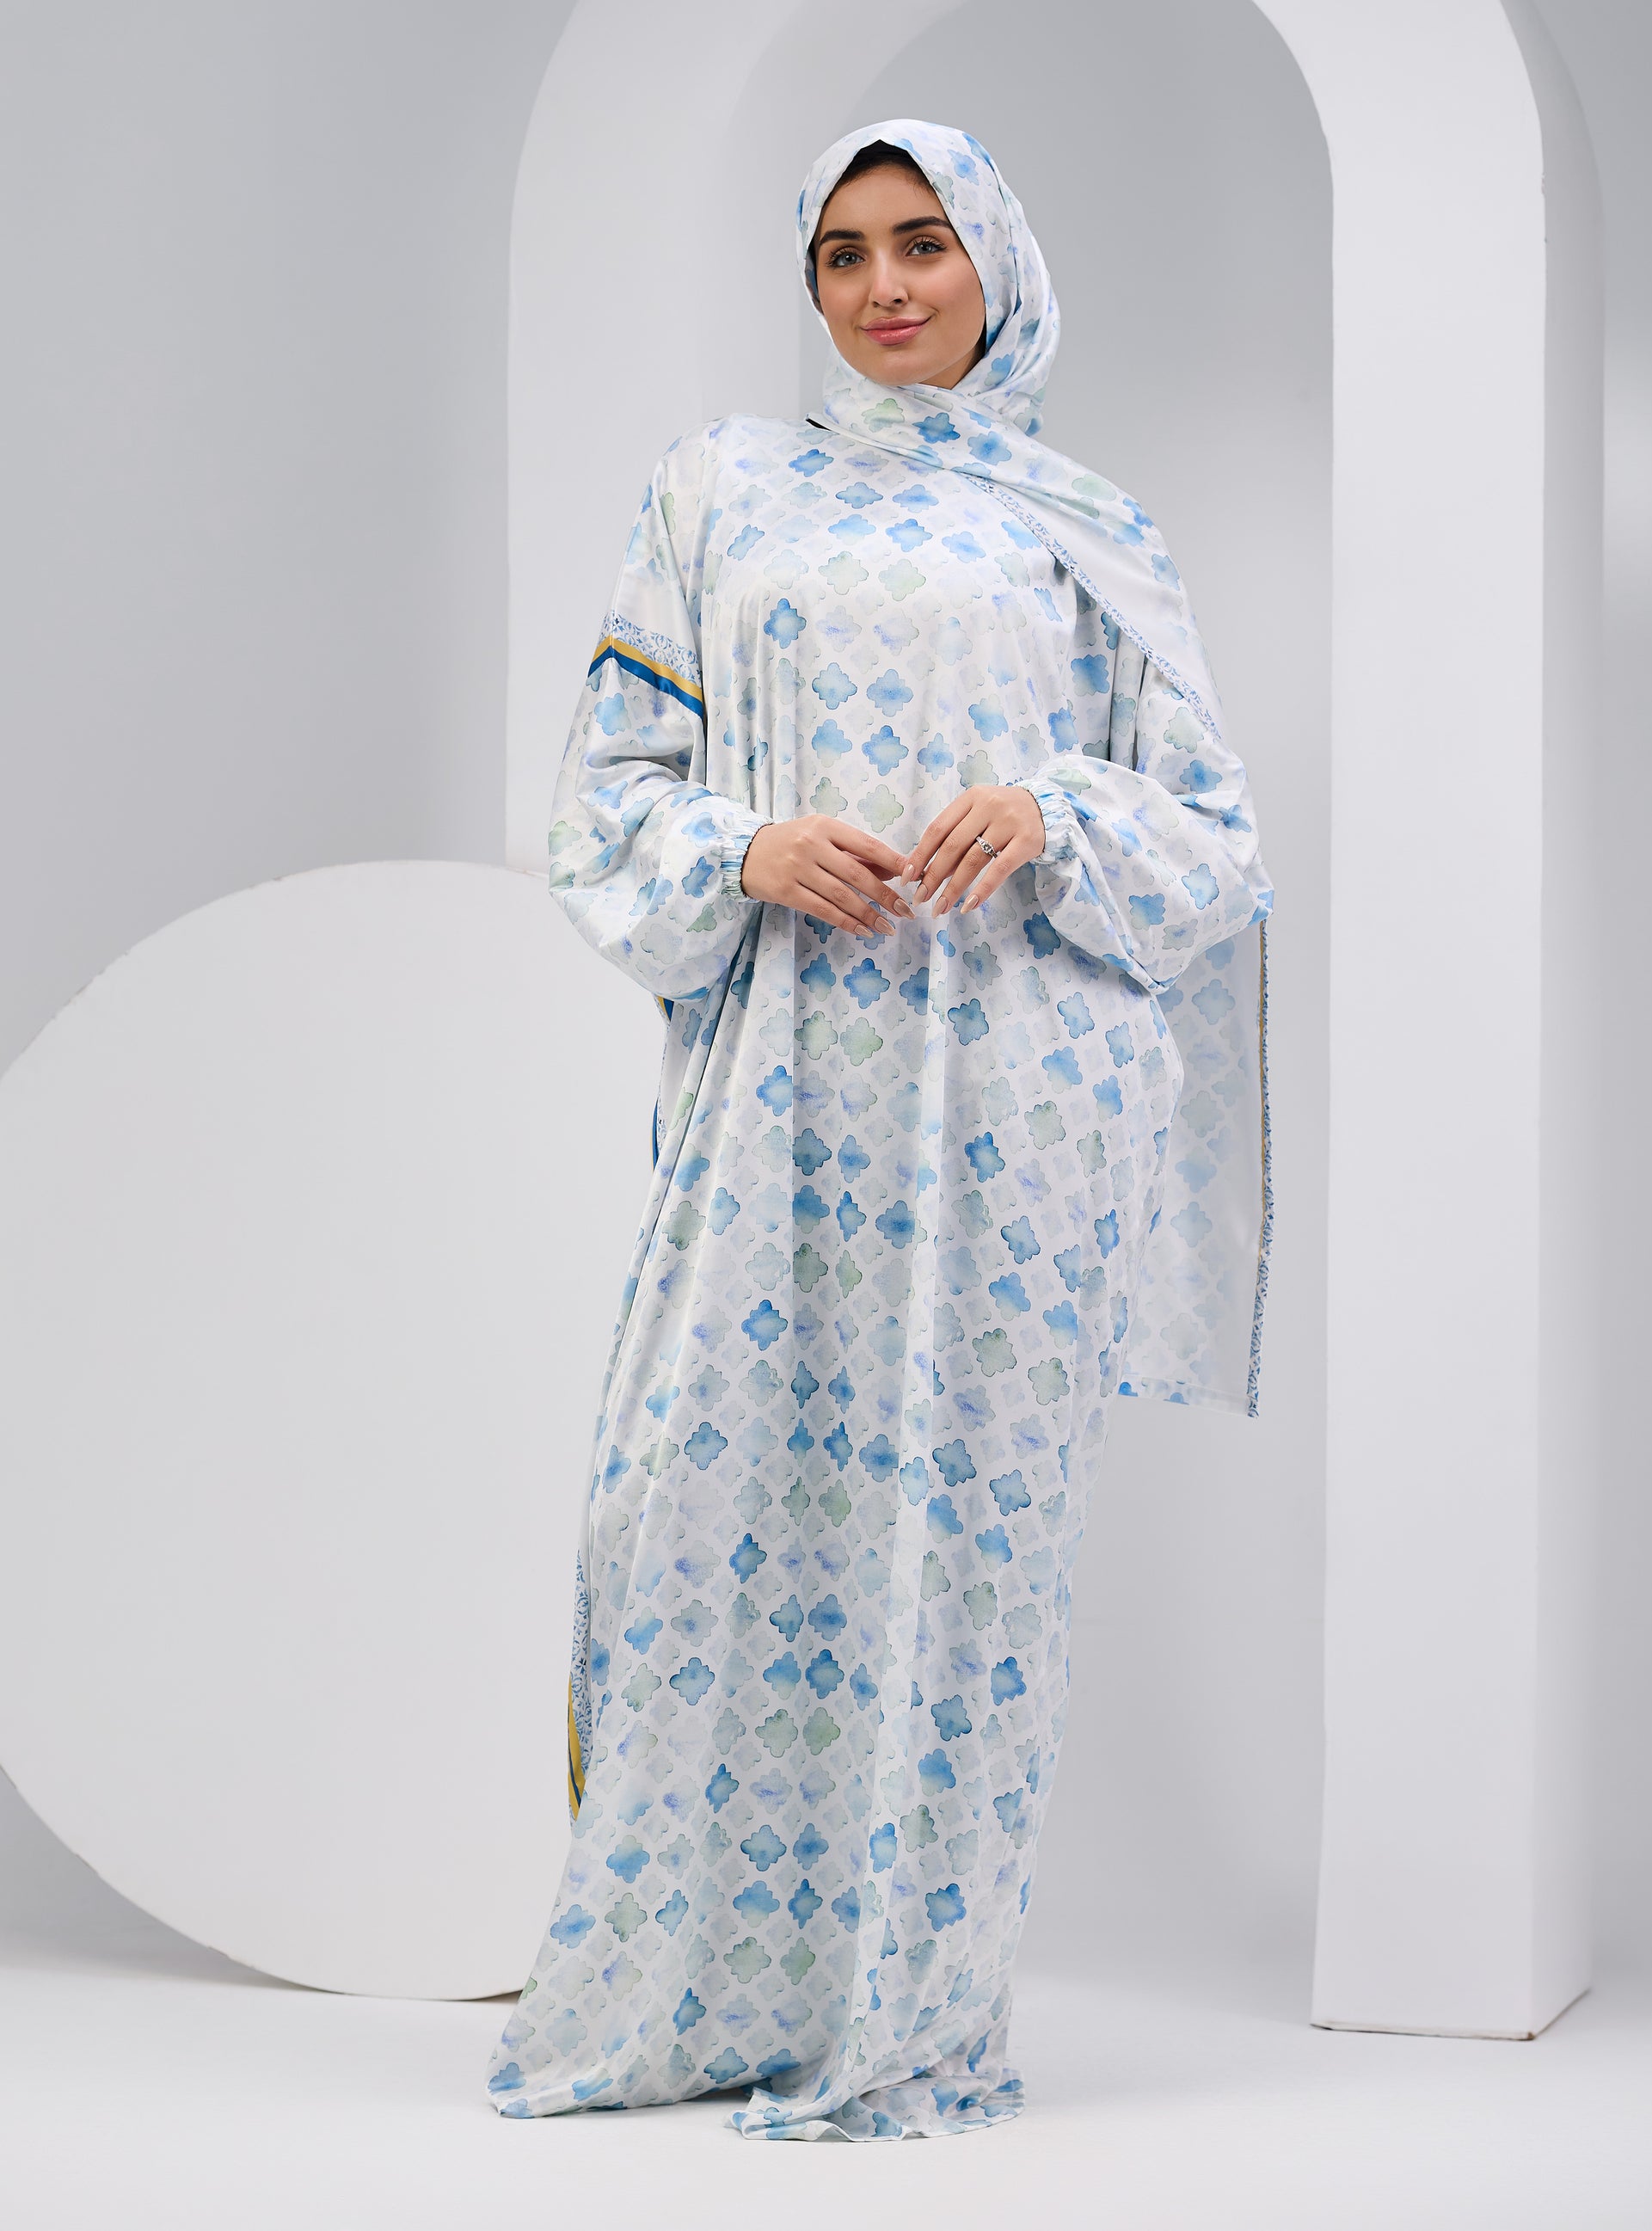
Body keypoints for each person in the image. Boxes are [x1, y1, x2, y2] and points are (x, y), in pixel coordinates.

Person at [485, 117, 1273, 2142]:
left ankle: (909, 2025)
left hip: (1016, 1096)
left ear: (996, 266)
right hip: (780, 1077)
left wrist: (1057, 810)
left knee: (962, 1552)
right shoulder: (718, 490)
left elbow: (1213, 843)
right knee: (684, 1514)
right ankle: (685, 1999)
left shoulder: (1085, 528)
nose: (884, 285)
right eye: (842, 253)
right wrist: (744, 845)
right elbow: (604, 796)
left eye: (923, 243)